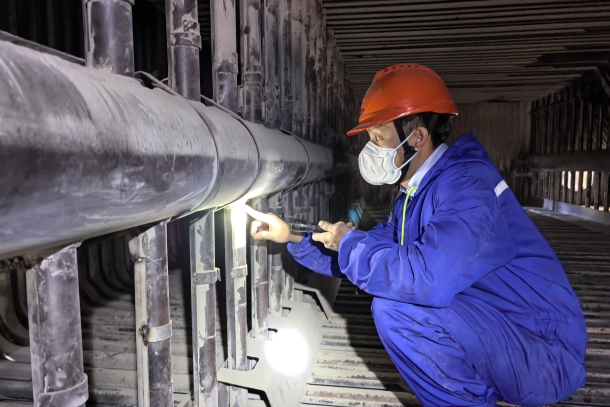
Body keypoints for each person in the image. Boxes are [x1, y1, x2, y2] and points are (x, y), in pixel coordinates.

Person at [245, 64, 587, 407]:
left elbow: (427, 278)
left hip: (542, 349)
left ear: (417, 138)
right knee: (396, 294)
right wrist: (292, 236)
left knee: (396, 311)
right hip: (498, 331)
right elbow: (372, 253)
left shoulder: (467, 186)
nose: (371, 150)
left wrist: (350, 243)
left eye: (379, 139)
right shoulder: (415, 195)